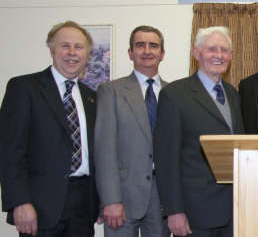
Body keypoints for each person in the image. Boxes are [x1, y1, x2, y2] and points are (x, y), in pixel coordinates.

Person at [0, 20, 99, 236]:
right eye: (65, 46)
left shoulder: (92, 98)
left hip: (83, 204)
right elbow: (9, 152)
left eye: (79, 47)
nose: (72, 53)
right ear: (52, 50)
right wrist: (20, 202)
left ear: (87, 54)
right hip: (38, 206)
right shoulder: (24, 88)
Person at [154, 26, 244, 237]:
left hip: (234, 209)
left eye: (224, 50)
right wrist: (174, 211)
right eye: (212, 49)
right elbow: (166, 159)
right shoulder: (174, 95)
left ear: (231, 56)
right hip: (195, 212)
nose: (219, 55)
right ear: (196, 53)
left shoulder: (233, 94)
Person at [94, 25, 169, 237]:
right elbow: (104, 150)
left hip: (162, 198)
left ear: (162, 54)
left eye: (153, 46)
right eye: (140, 45)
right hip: (123, 197)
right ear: (130, 53)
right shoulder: (111, 91)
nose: (147, 51)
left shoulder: (173, 94)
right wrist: (110, 200)